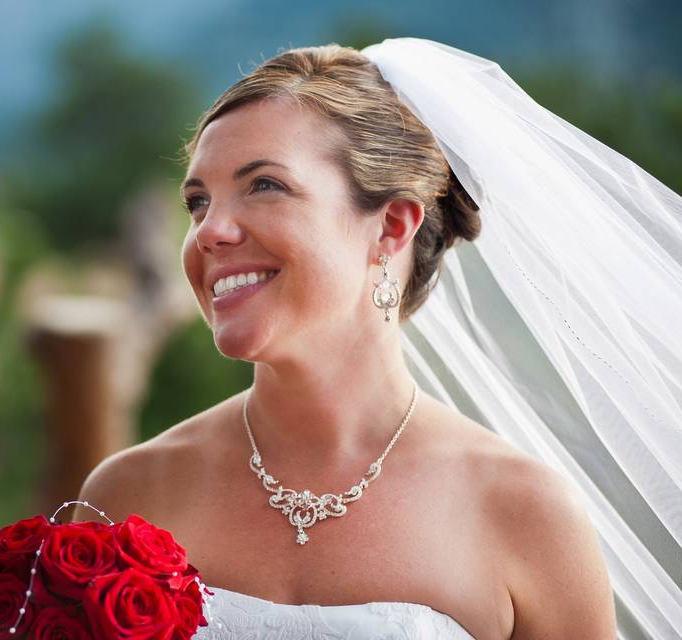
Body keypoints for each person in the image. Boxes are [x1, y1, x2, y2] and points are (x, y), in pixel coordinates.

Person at [74, 38, 681, 639]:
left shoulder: (526, 513)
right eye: (197, 202)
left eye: (264, 185)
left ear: (391, 226)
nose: (210, 231)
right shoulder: (128, 493)